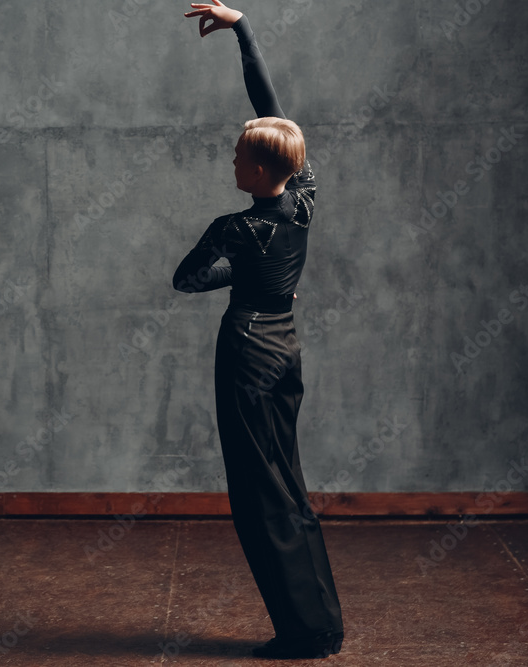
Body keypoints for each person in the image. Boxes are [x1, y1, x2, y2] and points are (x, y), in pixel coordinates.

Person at [173, 2, 344, 659]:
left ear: (260, 170)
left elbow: (186, 279)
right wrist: (242, 28)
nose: (232, 158)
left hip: (246, 349)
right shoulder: (301, 201)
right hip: (286, 346)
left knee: (257, 492)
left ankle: (303, 631)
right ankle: (319, 620)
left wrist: (243, 273)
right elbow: (272, 108)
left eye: (239, 154)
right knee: (289, 484)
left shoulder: (235, 228)